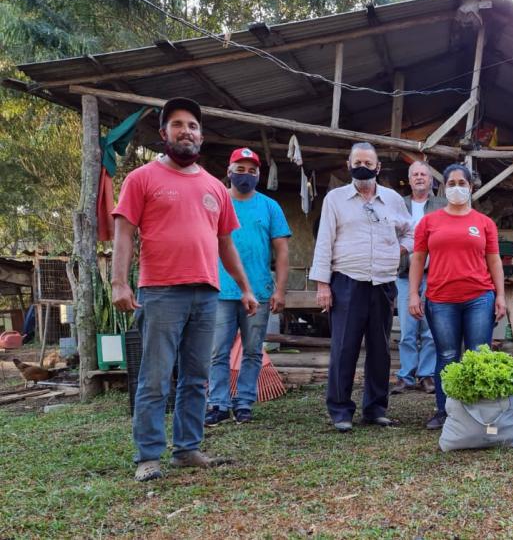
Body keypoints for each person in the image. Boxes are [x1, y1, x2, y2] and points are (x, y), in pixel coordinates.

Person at [111, 98, 258, 482]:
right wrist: (119, 282)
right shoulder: (141, 179)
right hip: (160, 291)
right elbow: (124, 232)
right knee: (156, 377)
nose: (186, 131)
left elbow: (226, 244)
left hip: (207, 293)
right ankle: (148, 456)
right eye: (177, 125)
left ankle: (188, 448)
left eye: (192, 125)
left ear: (201, 136)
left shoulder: (215, 187)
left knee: (197, 377)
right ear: (164, 134)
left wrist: (245, 288)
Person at [311, 142, 413, 432]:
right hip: (346, 280)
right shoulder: (335, 199)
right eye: (358, 162)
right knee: (344, 347)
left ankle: (376, 408)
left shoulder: (393, 199)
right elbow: (324, 242)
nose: (363, 167)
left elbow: (412, 232)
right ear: (348, 164)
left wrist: (398, 251)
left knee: (380, 349)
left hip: (383, 282)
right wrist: (323, 285)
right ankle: (341, 410)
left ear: (378, 167)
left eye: (369, 163)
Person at [408, 163, 506, 430]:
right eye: (451, 184)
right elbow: (417, 259)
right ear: (443, 189)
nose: (457, 188)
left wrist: (500, 296)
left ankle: (478, 412)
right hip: (440, 299)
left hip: (479, 298)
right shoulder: (429, 222)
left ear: (470, 188)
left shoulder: (484, 223)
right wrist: (413, 295)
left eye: (462, 183)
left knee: (478, 356)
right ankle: (445, 411)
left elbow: (494, 260)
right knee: (448, 356)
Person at [205, 147, 291, 426]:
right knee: (218, 351)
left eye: (252, 171)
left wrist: (280, 289)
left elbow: (282, 251)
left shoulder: (270, 207)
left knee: (253, 351)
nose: (245, 175)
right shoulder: (215, 203)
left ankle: (243, 403)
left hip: (259, 292)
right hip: (220, 291)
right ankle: (218, 403)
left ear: (259, 175)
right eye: (239, 170)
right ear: (228, 172)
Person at [392, 161, 446, 394]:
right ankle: (406, 375)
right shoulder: (398, 204)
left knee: (430, 329)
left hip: (435, 274)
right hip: (404, 274)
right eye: (415, 174)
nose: (420, 177)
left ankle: (426, 375)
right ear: (409, 179)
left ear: (431, 180)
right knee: (407, 328)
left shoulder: (441, 205)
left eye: (424, 174)